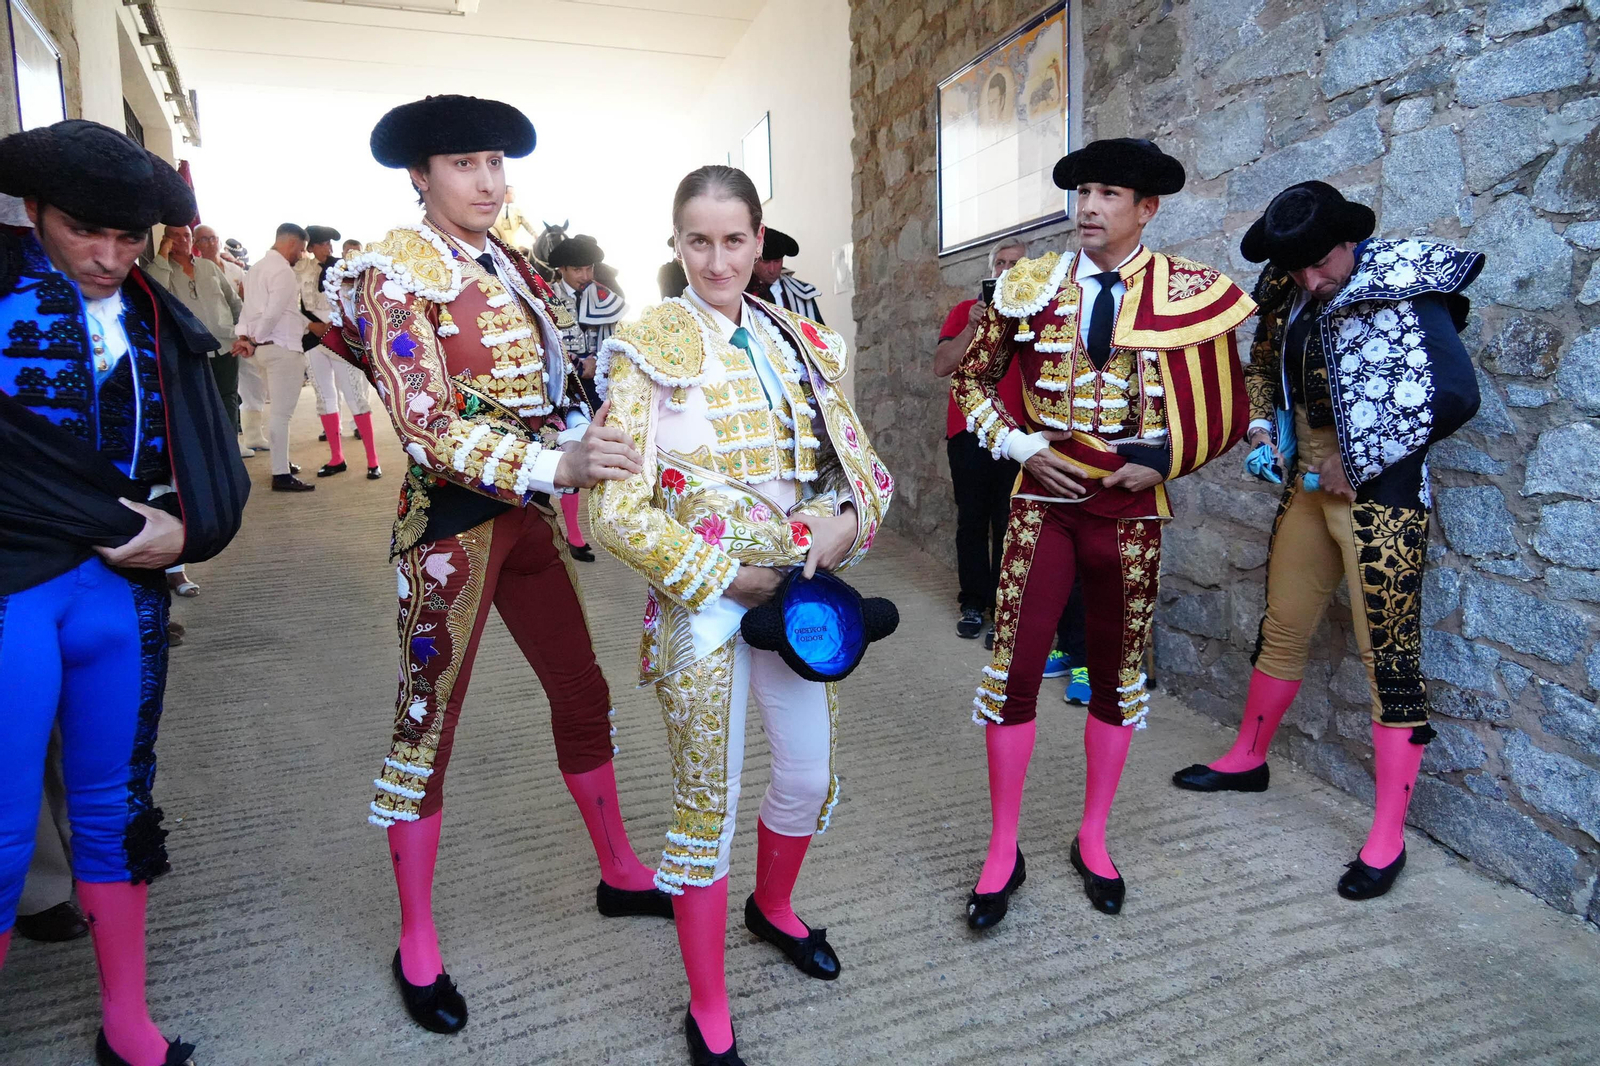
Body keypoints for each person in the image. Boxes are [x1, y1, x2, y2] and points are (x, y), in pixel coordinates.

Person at [327, 93, 671, 1037]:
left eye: (495, 164)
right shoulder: (392, 273)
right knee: (426, 723)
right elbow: (426, 424)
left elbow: (547, 392)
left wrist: (585, 431)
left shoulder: (511, 262)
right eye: (467, 165)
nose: (490, 181)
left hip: (524, 518)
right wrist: (552, 463)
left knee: (581, 688)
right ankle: (417, 938)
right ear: (421, 178)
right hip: (450, 526)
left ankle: (618, 872)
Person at [591, 164, 895, 1066]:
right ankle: (709, 1000)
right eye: (698, 241)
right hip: (706, 606)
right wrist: (725, 576)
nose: (717, 260)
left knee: (806, 777)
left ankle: (774, 907)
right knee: (706, 800)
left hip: (797, 596)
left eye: (734, 241)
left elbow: (865, 474)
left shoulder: (805, 343)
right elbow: (613, 510)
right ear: (675, 244)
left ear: (759, 241)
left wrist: (843, 524)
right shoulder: (643, 345)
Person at [951, 138, 1255, 927]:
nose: (1088, 206)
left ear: (1145, 209)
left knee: (1119, 672)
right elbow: (972, 378)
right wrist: (1021, 446)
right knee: (1015, 668)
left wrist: (1163, 462)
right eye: (1082, 190)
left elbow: (1224, 407)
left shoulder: (1188, 291)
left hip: (1129, 506)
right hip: (1042, 496)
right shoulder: (1027, 285)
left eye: (1108, 193)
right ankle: (1002, 847)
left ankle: (1093, 838)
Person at [0, 117, 250, 1066]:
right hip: (12, 593)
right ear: (34, 214)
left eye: (127, 237)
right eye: (82, 232)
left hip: (122, 599)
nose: (107, 257)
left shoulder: (160, 317)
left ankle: (125, 1019)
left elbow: (206, 462)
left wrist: (189, 531)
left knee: (116, 809)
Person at [1171, 181, 1484, 901]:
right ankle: (1249, 757)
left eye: (1319, 264)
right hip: (1307, 484)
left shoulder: (1403, 277)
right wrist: (1260, 429)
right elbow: (1260, 369)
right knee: (1281, 622)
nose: (1310, 280)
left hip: (1383, 494)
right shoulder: (1289, 284)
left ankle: (1387, 836)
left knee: (1390, 660)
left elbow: (1455, 394)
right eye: (1297, 268)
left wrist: (1363, 453)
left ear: (1350, 240)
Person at [547, 232, 625, 561]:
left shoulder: (605, 296)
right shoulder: (543, 298)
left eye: (589, 268)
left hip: (597, 385)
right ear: (562, 269)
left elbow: (617, 337)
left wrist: (600, 360)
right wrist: (579, 363)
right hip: (557, 384)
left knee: (609, 445)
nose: (586, 276)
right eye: (578, 270)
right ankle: (574, 535)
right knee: (569, 448)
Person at [297, 223, 381, 479]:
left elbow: (355, 301)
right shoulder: (299, 270)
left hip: (340, 337)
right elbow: (292, 304)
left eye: (329, 244)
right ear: (311, 247)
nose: (327, 248)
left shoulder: (343, 268)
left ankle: (373, 460)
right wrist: (310, 325)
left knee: (356, 395)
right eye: (322, 244)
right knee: (324, 396)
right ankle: (337, 457)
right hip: (313, 338)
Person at [235, 223, 313, 491]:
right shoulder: (282, 271)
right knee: (282, 415)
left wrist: (245, 338)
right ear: (291, 243)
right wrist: (253, 339)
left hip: (263, 350)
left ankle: (282, 462)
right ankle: (280, 474)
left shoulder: (255, 268)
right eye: (301, 249)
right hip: (281, 347)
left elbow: (247, 311)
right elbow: (273, 312)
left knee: (278, 412)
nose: (301, 255)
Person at [185, 224, 248, 455]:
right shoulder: (172, 270)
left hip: (227, 341)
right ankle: (209, 450)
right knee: (202, 399)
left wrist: (238, 330)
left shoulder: (225, 268)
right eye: (204, 239)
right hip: (195, 348)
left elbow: (236, 301)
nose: (211, 243)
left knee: (231, 395)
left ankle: (232, 446)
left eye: (213, 238)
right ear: (196, 244)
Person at [746, 226, 824, 322]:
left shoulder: (802, 293)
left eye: (777, 261)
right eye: (766, 262)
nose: (772, 269)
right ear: (754, 259)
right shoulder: (740, 291)